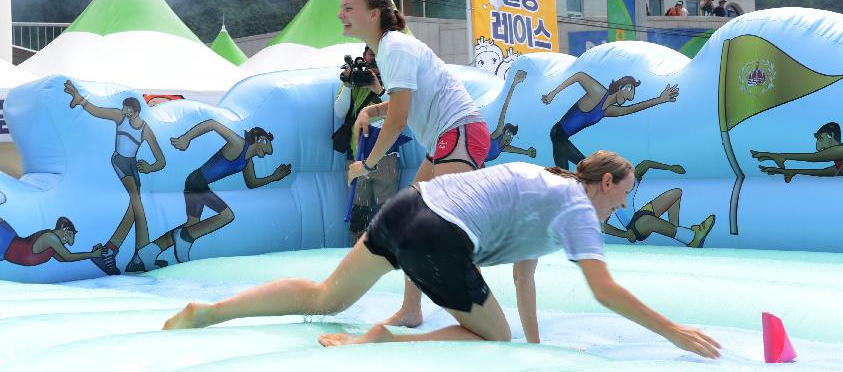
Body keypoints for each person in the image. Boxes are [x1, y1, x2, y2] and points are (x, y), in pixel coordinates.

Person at [162, 152, 721, 360]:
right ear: (602, 182)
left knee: (324, 297)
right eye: (622, 195)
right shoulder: (576, 207)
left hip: (410, 205)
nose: (621, 207)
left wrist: (535, 348)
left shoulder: (546, 185)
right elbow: (604, 290)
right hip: (440, 231)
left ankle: (208, 313)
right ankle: (386, 339)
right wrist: (671, 331)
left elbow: (525, 274)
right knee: (490, 338)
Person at [338, 0, 490, 328]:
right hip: (447, 139)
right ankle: (411, 310)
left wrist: (368, 165)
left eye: (348, 8)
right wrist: (370, 111)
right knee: (410, 222)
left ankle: (482, 314)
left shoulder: (396, 48)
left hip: (460, 133)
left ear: (373, 14)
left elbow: (398, 121)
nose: (340, 14)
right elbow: (402, 104)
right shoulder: (390, 49)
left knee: (453, 226)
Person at [132, 120, 292, 270]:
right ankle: (185, 237)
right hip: (197, 182)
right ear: (258, 139)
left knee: (192, 224)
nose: (266, 150)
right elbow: (212, 124)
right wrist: (186, 138)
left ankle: (146, 254)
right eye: (265, 143)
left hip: (196, 182)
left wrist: (274, 177)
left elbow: (252, 183)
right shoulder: (238, 144)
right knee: (227, 215)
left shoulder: (247, 161)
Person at [64, 80, 166, 275]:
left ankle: (111, 250)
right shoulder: (120, 118)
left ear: (136, 112)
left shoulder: (145, 129)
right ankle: (141, 254)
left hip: (133, 166)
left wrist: (150, 167)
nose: (124, 112)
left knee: (133, 209)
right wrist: (81, 100)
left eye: (128, 110)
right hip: (120, 161)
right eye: (124, 109)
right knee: (137, 203)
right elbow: (98, 111)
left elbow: (161, 161)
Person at [542, 73, 679, 169]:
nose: (627, 98)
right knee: (587, 167)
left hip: (561, 138)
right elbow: (579, 76)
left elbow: (632, 109)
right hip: (558, 133)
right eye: (629, 90)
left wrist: (659, 100)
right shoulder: (598, 93)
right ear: (621, 87)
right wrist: (552, 94)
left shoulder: (608, 110)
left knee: (563, 174)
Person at [334, 45, 400, 245]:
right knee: (358, 214)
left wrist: (379, 90)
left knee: (386, 214)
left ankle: (387, 255)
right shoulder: (356, 77)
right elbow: (339, 111)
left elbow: (400, 110)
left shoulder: (395, 78)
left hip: (386, 157)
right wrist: (347, 84)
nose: (375, 60)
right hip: (358, 156)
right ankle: (358, 253)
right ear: (364, 56)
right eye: (372, 55)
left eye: (379, 56)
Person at [602, 159, 715, 247]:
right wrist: (624, 234)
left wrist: (671, 168)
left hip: (642, 213)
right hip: (635, 227)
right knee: (647, 220)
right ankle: (692, 238)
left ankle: (677, 229)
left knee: (676, 193)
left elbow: (646, 164)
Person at [752, 121, 843, 183]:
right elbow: (822, 172)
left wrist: (781, 156)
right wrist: (793, 171)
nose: (818, 146)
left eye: (820, 138)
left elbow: (814, 157)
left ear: (830, 135)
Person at [0, 215, 107, 267]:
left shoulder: (52, 245)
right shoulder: (50, 238)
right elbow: (68, 256)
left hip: (5, 249)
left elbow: (63, 259)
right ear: (65, 230)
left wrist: (92, 254)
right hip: (6, 241)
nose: (70, 239)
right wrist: (92, 254)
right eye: (71, 234)